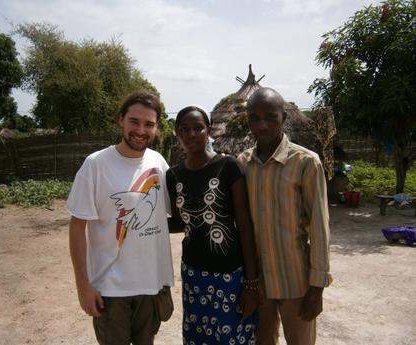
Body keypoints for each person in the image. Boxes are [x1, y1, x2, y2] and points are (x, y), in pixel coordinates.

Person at [67, 90, 174, 345]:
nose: (141, 130)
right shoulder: (95, 165)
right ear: (120, 120)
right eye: (134, 121)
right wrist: (83, 286)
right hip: (111, 291)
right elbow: (77, 227)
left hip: (151, 288)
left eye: (149, 124)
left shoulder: (159, 163)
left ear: (157, 128)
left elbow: (172, 215)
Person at [238, 88, 332, 345]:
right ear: (248, 120)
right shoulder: (243, 164)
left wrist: (317, 287)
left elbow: (320, 228)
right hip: (260, 285)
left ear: (284, 117)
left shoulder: (305, 163)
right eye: (255, 118)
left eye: (271, 117)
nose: (262, 124)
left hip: (297, 283)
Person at [166, 105, 260, 345]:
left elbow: (245, 225)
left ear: (208, 130)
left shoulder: (228, 167)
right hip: (194, 273)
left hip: (230, 275)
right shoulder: (174, 175)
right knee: (198, 337)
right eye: (185, 129)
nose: (191, 134)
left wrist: (251, 283)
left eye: (198, 128)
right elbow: (180, 223)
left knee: (232, 336)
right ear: (177, 133)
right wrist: (141, 224)